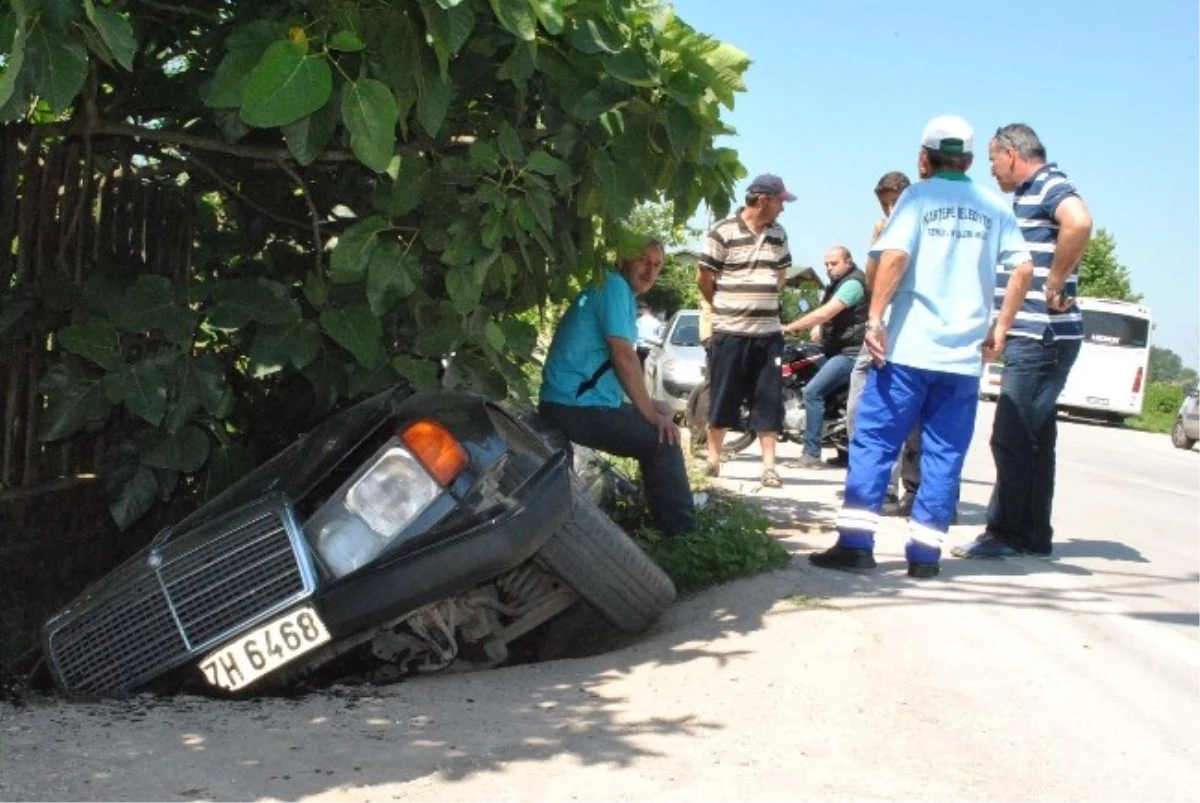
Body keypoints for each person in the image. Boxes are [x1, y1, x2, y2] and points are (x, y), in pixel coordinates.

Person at [808, 115, 1033, 579]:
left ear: (923, 158)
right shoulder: (993, 205)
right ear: (970, 160)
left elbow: (894, 257)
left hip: (908, 353)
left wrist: (873, 318)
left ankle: (855, 545)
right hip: (963, 360)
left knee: (874, 444)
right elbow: (1024, 269)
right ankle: (925, 558)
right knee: (944, 454)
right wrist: (1001, 327)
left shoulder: (916, 198)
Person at [953, 124, 1093, 559]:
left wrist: (1054, 281)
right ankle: (1033, 534)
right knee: (1035, 439)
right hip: (1038, 334)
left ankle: (1005, 534)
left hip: (1041, 336)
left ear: (1012, 154)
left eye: (994, 159)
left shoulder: (1049, 184)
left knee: (1011, 435)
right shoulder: (1030, 193)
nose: (992, 169)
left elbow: (1080, 221)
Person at [538, 239, 695, 536]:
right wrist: (648, 413)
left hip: (572, 402)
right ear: (622, 260)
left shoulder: (614, 289)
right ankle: (684, 539)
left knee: (658, 424)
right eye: (643, 261)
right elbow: (622, 354)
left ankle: (660, 519)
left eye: (657, 265)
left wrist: (648, 404)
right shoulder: (614, 287)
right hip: (573, 407)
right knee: (663, 440)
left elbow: (617, 362)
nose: (650, 271)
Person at [697, 173, 795, 488]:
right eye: (781, 200)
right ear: (763, 199)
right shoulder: (722, 232)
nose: (783, 208)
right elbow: (704, 278)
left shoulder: (779, 234)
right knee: (723, 395)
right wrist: (726, 305)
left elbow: (780, 276)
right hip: (730, 330)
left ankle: (769, 467)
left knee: (769, 400)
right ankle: (713, 459)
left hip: (768, 334)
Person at [846, 172, 924, 514]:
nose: (890, 207)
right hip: (879, 331)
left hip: (910, 334)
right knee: (858, 407)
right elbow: (872, 283)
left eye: (895, 201)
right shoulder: (884, 230)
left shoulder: (922, 227)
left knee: (911, 419)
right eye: (885, 202)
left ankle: (908, 490)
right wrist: (876, 245)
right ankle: (873, 486)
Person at [782, 246, 868, 468]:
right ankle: (845, 453)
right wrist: (821, 328)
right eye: (827, 264)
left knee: (812, 392)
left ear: (848, 262)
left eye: (834, 263)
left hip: (850, 353)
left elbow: (827, 311)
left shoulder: (852, 284)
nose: (829, 268)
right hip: (838, 348)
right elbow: (833, 315)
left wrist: (789, 327)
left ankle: (811, 454)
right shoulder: (839, 284)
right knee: (830, 392)